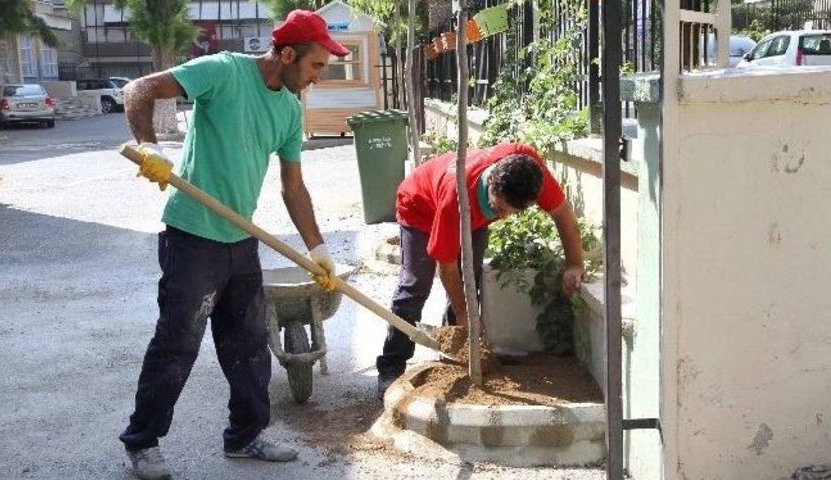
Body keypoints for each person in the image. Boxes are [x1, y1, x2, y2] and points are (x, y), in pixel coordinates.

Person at [118, 10, 348, 480]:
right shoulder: (222, 72)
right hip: (192, 236)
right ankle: (143, 442)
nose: (317, 78)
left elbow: (293, 187)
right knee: (178, 342)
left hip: (240, 238)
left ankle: (246, 435)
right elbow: (137, 89)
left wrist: (317, 248)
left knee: (248, 344)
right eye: (315, 67)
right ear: (286, 54)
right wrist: (149, 148)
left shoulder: (286, 109)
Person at [375, 143, 586, 397]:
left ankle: (456, 353)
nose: (504, 217)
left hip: (472, 213)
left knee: (469, 280)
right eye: (499, 209)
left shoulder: (528, 171)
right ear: (492, 183)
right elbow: (446, 266)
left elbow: (562, 213)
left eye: (511, 212)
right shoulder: (456, 195)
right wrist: (465, 312)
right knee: (415, 286)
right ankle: (391, 367)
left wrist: (574, 264)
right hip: (420, 206)